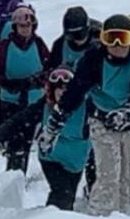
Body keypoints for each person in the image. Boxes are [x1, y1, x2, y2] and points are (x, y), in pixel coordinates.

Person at [64, 14, 130, 216]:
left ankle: (121, 216)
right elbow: (75, 90)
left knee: (126, 176)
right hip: (101, 120)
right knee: (108, 174)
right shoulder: (94, 59)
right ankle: (100, 216)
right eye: (111, 39)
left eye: (123, 39)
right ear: (103, 40)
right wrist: (59, 116)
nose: (117, 46)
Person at [0, 3, 50, 171]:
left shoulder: (39, 44)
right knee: (15, 141)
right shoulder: (4, 46)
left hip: (34, 101)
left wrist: (37, 81)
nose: (26, 29)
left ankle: (19, 174)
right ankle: (13, 173)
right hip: (10, 101)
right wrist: (7, 83)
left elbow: (50, 69)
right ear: (15, 27)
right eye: (22, 26)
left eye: (29, 25)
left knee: (27, 141)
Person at [36, 65, 93, 210]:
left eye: (66, 89)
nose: (62, 93)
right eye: (58, 88)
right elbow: (19, 121)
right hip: (51, 158)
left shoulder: (88, 106)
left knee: (69, 197)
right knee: (62, 194)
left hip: (75, 161)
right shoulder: (44, 106)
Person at [47, 5, 100, 70]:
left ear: (87, 30)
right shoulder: (59, 46)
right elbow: (50, 69)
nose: (76, 41)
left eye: (79, 35)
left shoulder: (101, 45)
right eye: (70, 36)